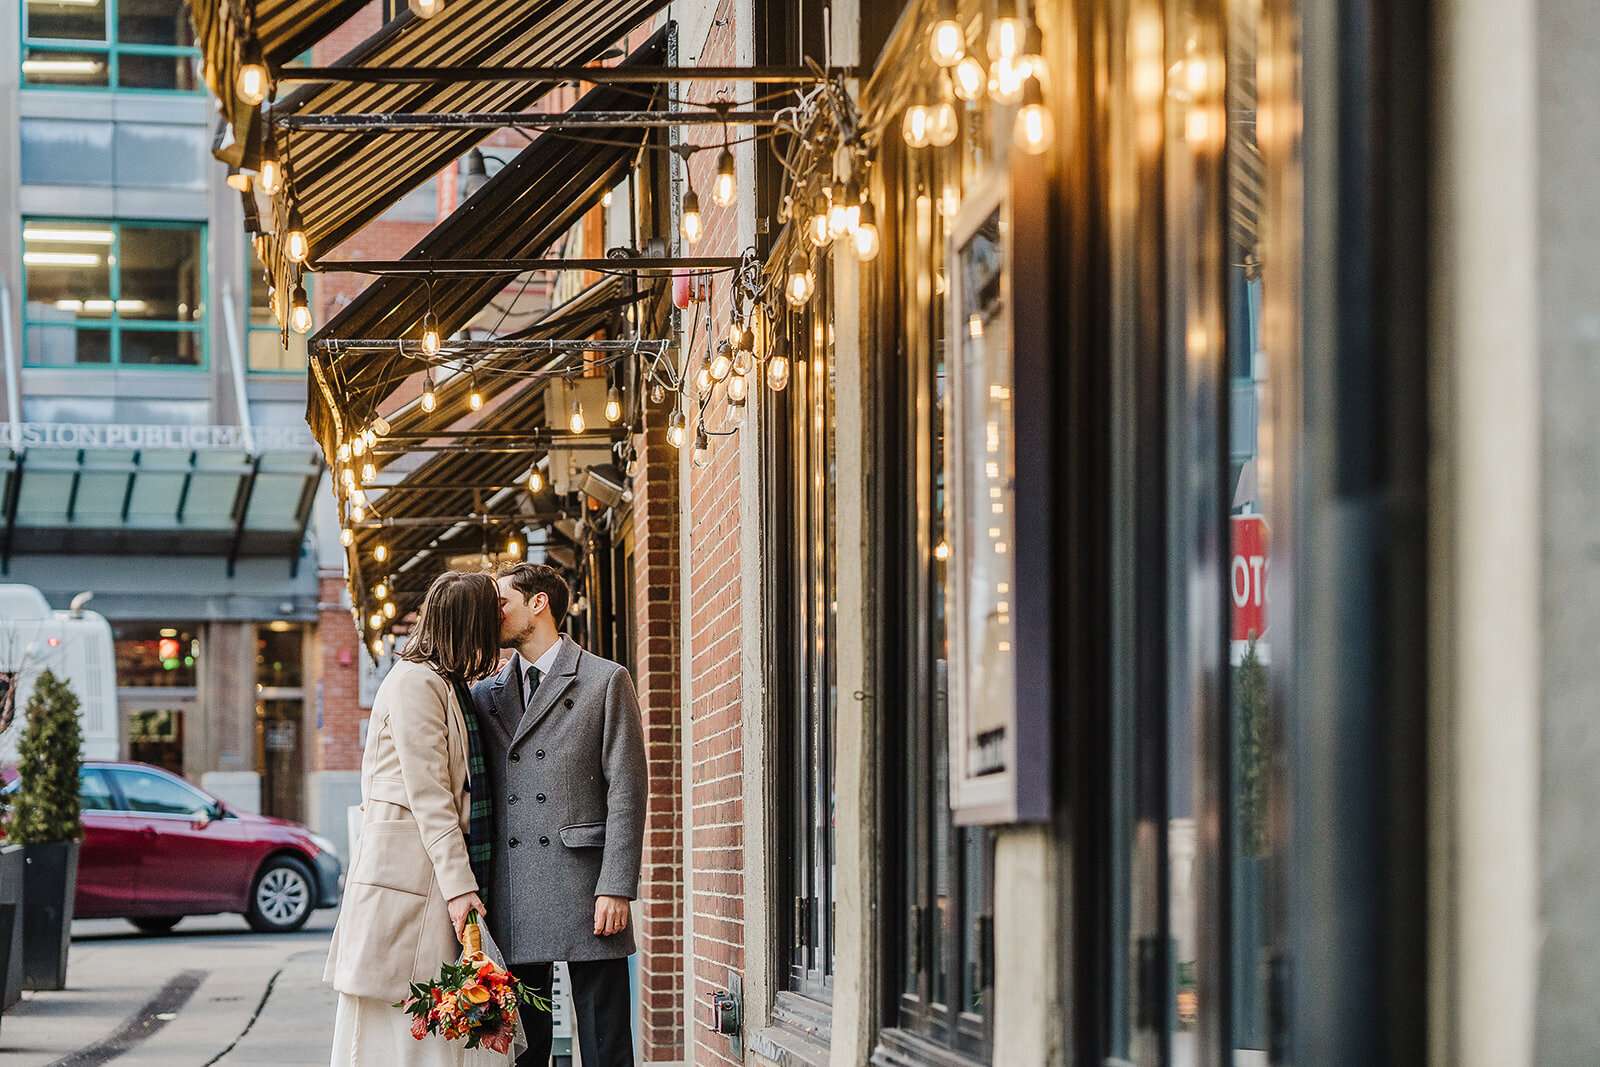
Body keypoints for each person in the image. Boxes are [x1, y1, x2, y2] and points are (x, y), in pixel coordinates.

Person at [326, 570, 507, 1066]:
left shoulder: (442, 683)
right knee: (411, 1033)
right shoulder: (417, 684)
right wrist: (460, 889)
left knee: (439, 1028)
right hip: (410, 885)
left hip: (423, 879)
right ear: (465, 626)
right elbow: (432, 798)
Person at [470, 562, 647, 1067]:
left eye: (501, 602)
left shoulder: (604, 680)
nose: (493, 615)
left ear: (538, 603)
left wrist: (617, 885)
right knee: (523, 1048)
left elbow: (628, 791)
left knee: (604, 1041)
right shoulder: (485, 695)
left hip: (586, 882)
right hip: (514, 886)